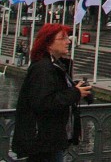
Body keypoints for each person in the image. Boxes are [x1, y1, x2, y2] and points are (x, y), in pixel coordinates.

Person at [12, 23, 91, 160]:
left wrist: (77, 88)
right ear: (48, 43)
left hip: (51, 140)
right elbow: (44, 102)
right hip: (42, 141)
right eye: (63, 38)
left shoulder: (55, 65)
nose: (68, 41)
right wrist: (75, 93)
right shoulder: (43, 68)